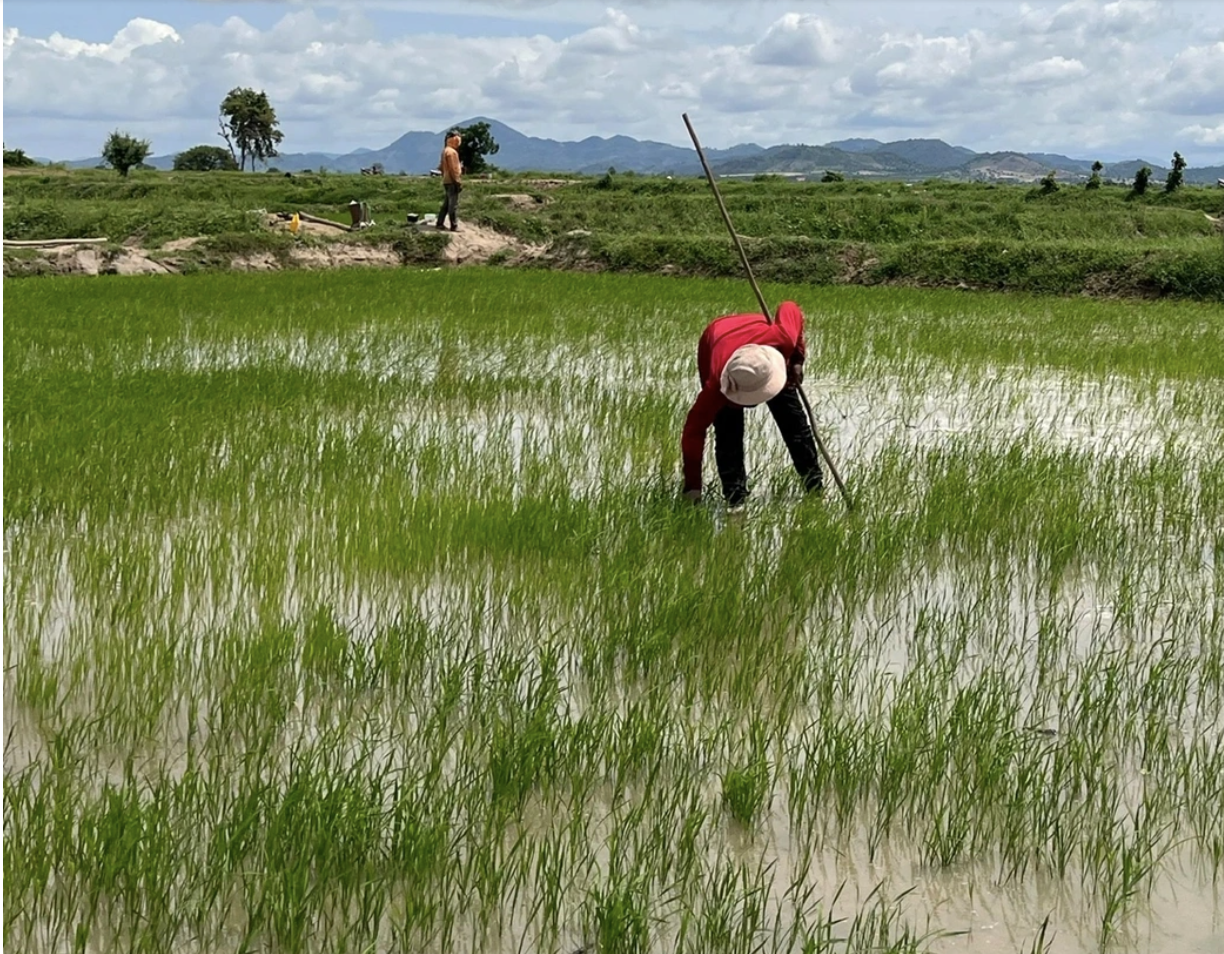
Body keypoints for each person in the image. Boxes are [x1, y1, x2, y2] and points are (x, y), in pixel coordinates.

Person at [681, 301, 823, 506]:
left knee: (795, 424)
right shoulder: (716, 386)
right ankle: (735, 498)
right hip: (717, 339)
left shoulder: (783, 339)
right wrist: (693, 486)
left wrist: (797, 359)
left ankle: (815, 488)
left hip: (763, 353)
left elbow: (789, 307)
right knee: (728, 431)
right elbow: (693, 433)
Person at [436, 130, 463, 231]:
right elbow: (453, 169)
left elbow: (441, 167)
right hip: (452, 181)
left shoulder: (445, 151)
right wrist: (457, 181)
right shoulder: (452, 152)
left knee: (446, 204)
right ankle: (454, 225)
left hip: (446, 180)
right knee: (453, 205)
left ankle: (439, 223)